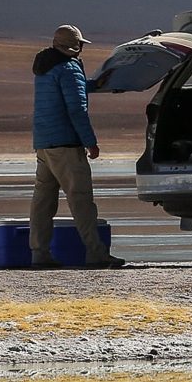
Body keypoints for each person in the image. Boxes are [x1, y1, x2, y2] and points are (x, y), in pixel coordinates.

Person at [31, 23, 127, 270]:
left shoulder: (46, 66)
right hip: (66, 145)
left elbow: (70, 90)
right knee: (81, 200)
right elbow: (77, 109)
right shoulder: (69, 68)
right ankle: (96, 253)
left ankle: (39, 253)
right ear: (75, 46)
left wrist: (94, 85)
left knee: (43, 202)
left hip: (44, 144)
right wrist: (90, 142)